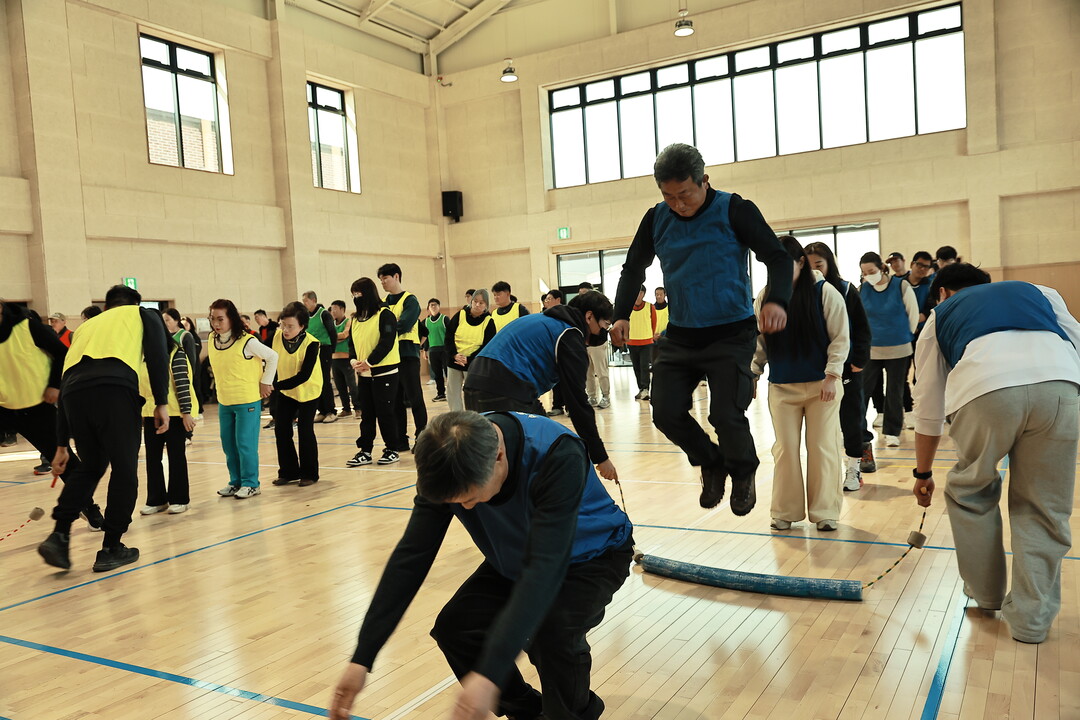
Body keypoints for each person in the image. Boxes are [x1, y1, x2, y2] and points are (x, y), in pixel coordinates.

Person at [328, 410, 634, 720]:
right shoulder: (444, 459)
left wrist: (489, 673)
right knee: (455, 629)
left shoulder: (557, 453)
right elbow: (411, 557)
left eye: (471, 498)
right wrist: (362, 657)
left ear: (499, 456)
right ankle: (529, 714)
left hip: (593, 556)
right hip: (517, 557)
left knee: (552, 635)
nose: (466, 508)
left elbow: (544, 568)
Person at [611, 143, 792, 515]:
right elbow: (633, 268)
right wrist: (620, 314)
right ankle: (710, 462)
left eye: (685, 194)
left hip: (731, 332)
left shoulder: (734, 209)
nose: (678, 204)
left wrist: (777, 301)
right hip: (682, 334)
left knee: (725, 413)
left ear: (704, 181)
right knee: (664, 411)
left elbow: (777, 257)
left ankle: (743, 472)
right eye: (669, 196)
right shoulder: (656, 218)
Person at [912, 264, 1080, 644]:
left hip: (985, 389)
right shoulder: (1041, 291)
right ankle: (1032, 621)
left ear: (942, 293)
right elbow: (1077, 341)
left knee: (970, 492)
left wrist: (923, 473)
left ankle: (985, 594)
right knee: (1045, 507)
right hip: (1059, 385)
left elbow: (928, 406)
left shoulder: (939, 315)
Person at [36, 284, 170, 572]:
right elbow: (158, 355)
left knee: (91, 466)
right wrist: (161, 401)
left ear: (106, 307)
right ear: (135, 303)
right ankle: (111, 547)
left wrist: (61, 443)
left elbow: (65, 380)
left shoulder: (86, 327)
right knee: (124, 469)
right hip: (115, 390)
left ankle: (59, 535)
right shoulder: (142, 314)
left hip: (74, 396)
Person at [464, 290, 619, 481]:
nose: (604, 332)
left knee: (495, 461)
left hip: (474, 382)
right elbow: (577, 402)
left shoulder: (546, 321)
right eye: (605, 325)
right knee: (547, 453)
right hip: (505, 388)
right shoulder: (569, 334)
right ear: (589, 317)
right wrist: (600, 456)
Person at [752, 237, 849, 531]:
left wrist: (832, 376)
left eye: (784, 265)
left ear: (801, 262)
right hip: (782, 387)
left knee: (822, 448)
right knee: (785, 449)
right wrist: (753, 373)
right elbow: (759, 343)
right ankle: (785, 510)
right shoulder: (765, 297)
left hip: (823, 386)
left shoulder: (825, 292)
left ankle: (825, 511)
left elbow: (840, 338)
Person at [0, 300, 102, 528]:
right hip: (3, 407)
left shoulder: (28, 326)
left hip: (37, 405)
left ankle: (87, 506)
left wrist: (55, 385)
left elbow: (62, 354)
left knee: (63, 458)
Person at [804, 242, 872, 490]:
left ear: (829, 264)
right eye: (809, 265)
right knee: (824, 426)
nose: (815, 270)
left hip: (847, 367)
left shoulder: (845, 289)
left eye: (819, 264)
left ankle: (854, 468)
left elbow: (862, 328)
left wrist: (859, 360)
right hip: (815, 370)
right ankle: (831, 472)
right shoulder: (802, 292)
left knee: (852, 418)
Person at [204, 298, 278, 499]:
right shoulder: (212, 339)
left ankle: (251, 483)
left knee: (245, 444)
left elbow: (273, 357)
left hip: (247, 401)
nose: (216, 323)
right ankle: (235, 481)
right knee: (228, 445)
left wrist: (266, 382)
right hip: (225, 401)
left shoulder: (247, 341)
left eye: (220, 319)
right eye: (212, 319)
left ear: (231, 318)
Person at [859, 252, 918, 448]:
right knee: (863, 390)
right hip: (871, 349)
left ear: (881, 268)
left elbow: (912, 314)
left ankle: (892, 432)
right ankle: (857, 430)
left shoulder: (901, 286)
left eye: (871, 271)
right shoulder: (862, 289)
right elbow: (858, 318)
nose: (868, 276)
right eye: (864, 273)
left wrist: (903, 336)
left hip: (899, 347)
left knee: (895, 390)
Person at [138, 323, 197, 515]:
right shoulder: (142, 357)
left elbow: (183, 384)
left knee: (176, 456)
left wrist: (186, 412)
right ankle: (157, 499)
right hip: (150, 414)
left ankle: (180, 499)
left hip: (175, 413)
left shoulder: (176, 353)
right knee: (152, 458)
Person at [346, 278, 402, 467]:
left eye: (358, 294)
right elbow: (351, 344)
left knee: (385, 412)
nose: (356, 298)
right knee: (367, 414)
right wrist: (354, 361)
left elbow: (387, 342)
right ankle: (365, 450)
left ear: (368, 293)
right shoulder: (355, 319)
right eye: (353, 295)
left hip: (385, 373)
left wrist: (370, 362)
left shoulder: (385, 315)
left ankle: (392, 449)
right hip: (363, 374)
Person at [269, 301, 323, 487]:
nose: (285, 329)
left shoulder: (312, 344)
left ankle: (310, 474)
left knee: (305, 431)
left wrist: (274, 386)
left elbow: (304, 376)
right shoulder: (277, 336)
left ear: (302, 326)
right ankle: (289, 472)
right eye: (283, 325)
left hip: (308, 391)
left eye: (290, 326)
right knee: (281, 429)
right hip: (287, 391)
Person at [378, 263, 427, 450]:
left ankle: (422, 437)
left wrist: (388, 328)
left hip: (407, 354)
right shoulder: (382, 303)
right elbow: (378, 327)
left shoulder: (410, 300)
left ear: (396, 276)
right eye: (381, 279)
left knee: (415, 398)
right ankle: (400, 440)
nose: (383, 282)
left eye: (385, 278)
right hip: (390, 357)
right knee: (395, 400)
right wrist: (390, 326)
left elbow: (404, 325)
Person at [445, 289, 496, 413]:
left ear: (486, 305)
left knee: (472, 394)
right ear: (471, 301)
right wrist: (454, 355)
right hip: (455, 360)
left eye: (481, 303)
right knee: (452, 393)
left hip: (473, 363)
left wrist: (469, 358)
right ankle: (457, 418)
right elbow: (449, 336)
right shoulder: (460, 315)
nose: (477, 305)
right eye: (475, 301)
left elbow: (487, 346)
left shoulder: (489, 321)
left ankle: (473, 418)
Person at [300, 291, 339, 423]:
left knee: (325, 380)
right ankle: (322, 410)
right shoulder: (306, 316)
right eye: (303, 301)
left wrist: (331, 351)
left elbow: (332, 333)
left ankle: (331, 411)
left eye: (306, 301)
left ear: (314, 300)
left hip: (324, 350)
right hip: (312, 351)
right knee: (315, 381)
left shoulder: (324, 314)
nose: (304, 303)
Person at [624, 286, 656, 400]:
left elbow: (653, 323)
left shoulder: (650, 306)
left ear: (644, 294)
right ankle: (641, 389)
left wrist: (650, 336)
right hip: (632, 342)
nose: (638, 295)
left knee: (644, 366)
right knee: (636, 367)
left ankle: (646, 389)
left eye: (640, 293)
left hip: (646, 342)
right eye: (636, 292)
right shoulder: (627, 307)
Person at [329, 300, 357, 419]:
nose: (333, 311)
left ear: (342, 309)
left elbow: (345, 335)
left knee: (352, 385)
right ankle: (346, 409)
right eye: (332, 309)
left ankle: (358, 408)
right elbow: (328, 336)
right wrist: (336, 337)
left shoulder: (348, 321)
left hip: (346, 358)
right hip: (334, 358)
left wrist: (333, 337)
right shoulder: (331, 323)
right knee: (340, 386)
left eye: (335, 309)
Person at [541, 290, 567, 416]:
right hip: (551, 351)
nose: (547, 301)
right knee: (556, 381)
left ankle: (571, 407)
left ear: (558, 300)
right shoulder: (545, 315)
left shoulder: (566, 313)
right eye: (546, 299)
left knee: (569, 380)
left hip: (565, 350)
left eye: (549, 299)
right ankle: (557, 406)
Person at [420, 298, 448, 402]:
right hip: (433, 350)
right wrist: (424, 350)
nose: (433, 307)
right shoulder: (426, 322)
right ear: (428, 308)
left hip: (445, 350)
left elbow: (450, 335)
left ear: (439, 307)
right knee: (437, 374)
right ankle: (441, 394)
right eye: (431, 305)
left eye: (435, 305)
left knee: (448, 373)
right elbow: (425, 337)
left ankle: (451, 393)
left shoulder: (445, 319)